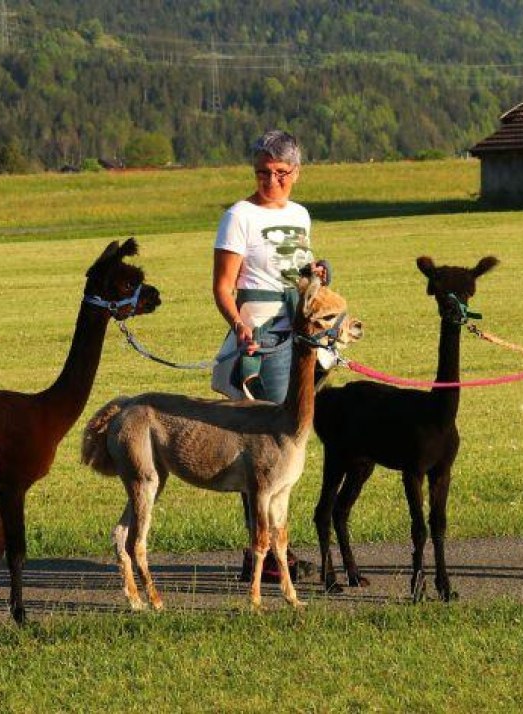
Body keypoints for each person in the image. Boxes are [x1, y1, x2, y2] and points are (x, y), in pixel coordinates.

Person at [212, 129, 326, 583]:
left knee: (292, 443)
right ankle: (266, 552)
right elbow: (223, 285)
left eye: (280, 173)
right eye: (263, 173)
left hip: (299, 335)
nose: (271, 181)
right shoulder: (238, 216)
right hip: (263, 336)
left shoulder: (300, 214)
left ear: (296, 174)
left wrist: (315, 272)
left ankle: (272, 550)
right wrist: (239, 325)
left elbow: (296, 270)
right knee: (270, 447)